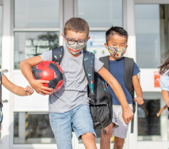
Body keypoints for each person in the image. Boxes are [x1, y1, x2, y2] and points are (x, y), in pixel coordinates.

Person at [19, 17, 134, 149]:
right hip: (58, 110)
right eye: (71, 40)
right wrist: (33, 82)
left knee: (89, 136)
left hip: (81, 106)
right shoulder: (56, 54)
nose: (75, 44)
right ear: (64, 37)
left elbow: (112, 82)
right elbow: (24, 64)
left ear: (87, 39)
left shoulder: (89, 58)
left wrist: (125, 107)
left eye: (80, 41)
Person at [99, 27, 144, 149]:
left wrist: (139, 96)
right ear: (106, 45)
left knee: (119, 142)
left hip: (125, 106)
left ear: (126, 47)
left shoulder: (130, 64)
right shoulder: (100, 63)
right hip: (106, 105)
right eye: (114, 44)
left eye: (122, 45)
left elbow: (137, 84)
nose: (118, 48)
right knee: (106, 132)